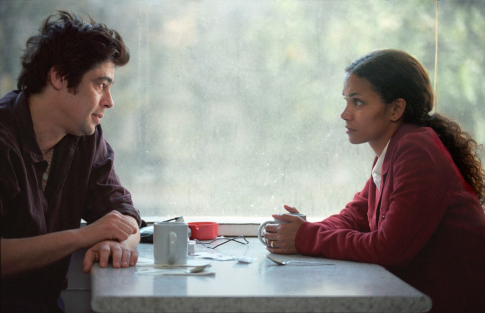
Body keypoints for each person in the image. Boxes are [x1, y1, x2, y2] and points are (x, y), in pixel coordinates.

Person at [263, 49, 485, 313]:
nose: (345, 114)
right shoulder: (394, 152)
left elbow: (388, 248)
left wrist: (305, 237)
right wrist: (300, 230)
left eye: (357, 102)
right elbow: (352, 217)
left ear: (395, 109)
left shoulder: (416, 151)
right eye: (346, 100)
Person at [0, 11, 141, 312]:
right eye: (100, 85)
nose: (110, 101)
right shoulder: (3, 140)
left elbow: (124, 213)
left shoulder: (86, 136)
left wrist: (117, 245)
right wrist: (84, 236)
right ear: (59, 77)